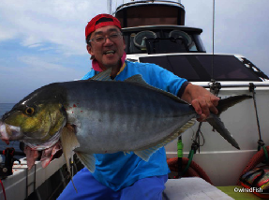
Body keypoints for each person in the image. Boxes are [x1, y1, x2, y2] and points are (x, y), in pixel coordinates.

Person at [57, 14, 219, 200]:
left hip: (144, 169)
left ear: (123, 42)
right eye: (99, 38)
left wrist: (201, 95)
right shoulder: (82, 88)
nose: (108, 42)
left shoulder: (149, 72)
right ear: (90, 49)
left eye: (114, 35)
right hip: (101, 174)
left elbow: (186, 89)